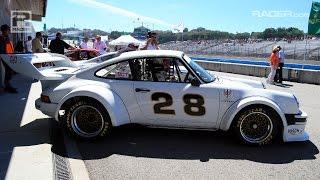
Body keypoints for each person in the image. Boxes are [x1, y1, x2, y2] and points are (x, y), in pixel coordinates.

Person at [0, 24, 17, 93]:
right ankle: (5, 86)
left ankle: (7, 85)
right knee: (5, 73)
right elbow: (2, 50)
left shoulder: (7, 38)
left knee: (9, 72)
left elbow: (10, 48)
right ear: (4, 31)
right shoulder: (1, 39)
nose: (9, 31)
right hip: (4, 58)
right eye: (8, 30)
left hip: (9, 58)